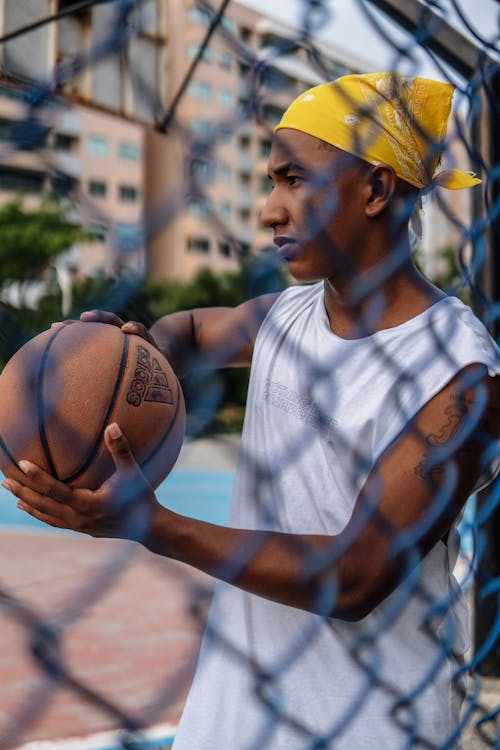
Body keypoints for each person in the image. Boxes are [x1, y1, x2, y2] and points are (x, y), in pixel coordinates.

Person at [4, 72, 500, 748]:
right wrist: (131, 350)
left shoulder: (460, 372)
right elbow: (194, 331)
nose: (269, 210)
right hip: (233, 716)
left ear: (376, 189)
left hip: (369, 726)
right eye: (273, 181)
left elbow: (355, 576)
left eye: (294, 180)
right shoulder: (288, 315)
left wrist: (154, 525)